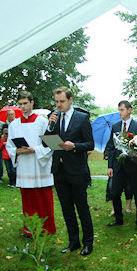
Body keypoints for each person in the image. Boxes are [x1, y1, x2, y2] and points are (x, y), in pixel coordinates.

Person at [47, 86, 94, 256]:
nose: (58, 105)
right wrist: (50, 126)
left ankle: (88, 243)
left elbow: (90, 144)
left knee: (82, 208)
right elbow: (47, 142)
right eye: (57, 101)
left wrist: (74, 146)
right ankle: (73, 241)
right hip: (59, 170)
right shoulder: (54, 118)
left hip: (77, 170)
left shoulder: (82, 118)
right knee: (67, 209)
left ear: (70, 99)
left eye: (62, 101)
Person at [6, 92, 56, 235]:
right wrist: (17, 151)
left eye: (25, 103)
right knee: (28, 198)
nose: (23, 107)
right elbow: (9, 145)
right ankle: (30, 229)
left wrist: (34, 149)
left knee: (43, 198)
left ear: (32, 103)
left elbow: (50, 144)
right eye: (20, 104)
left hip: (39, 164)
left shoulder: (42, 122)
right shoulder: (14, 124)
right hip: (24, 165)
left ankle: (47, 227)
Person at [105, 100, 137, 233]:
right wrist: (110, 166)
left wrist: (134, 153)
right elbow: (111, 148)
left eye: (122, 110)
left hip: (133, 166)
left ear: (129, 110)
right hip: (118, 166)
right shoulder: (116, 126)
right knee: (115, 193)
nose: (120, 112)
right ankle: (118, 219)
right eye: (119, 110)